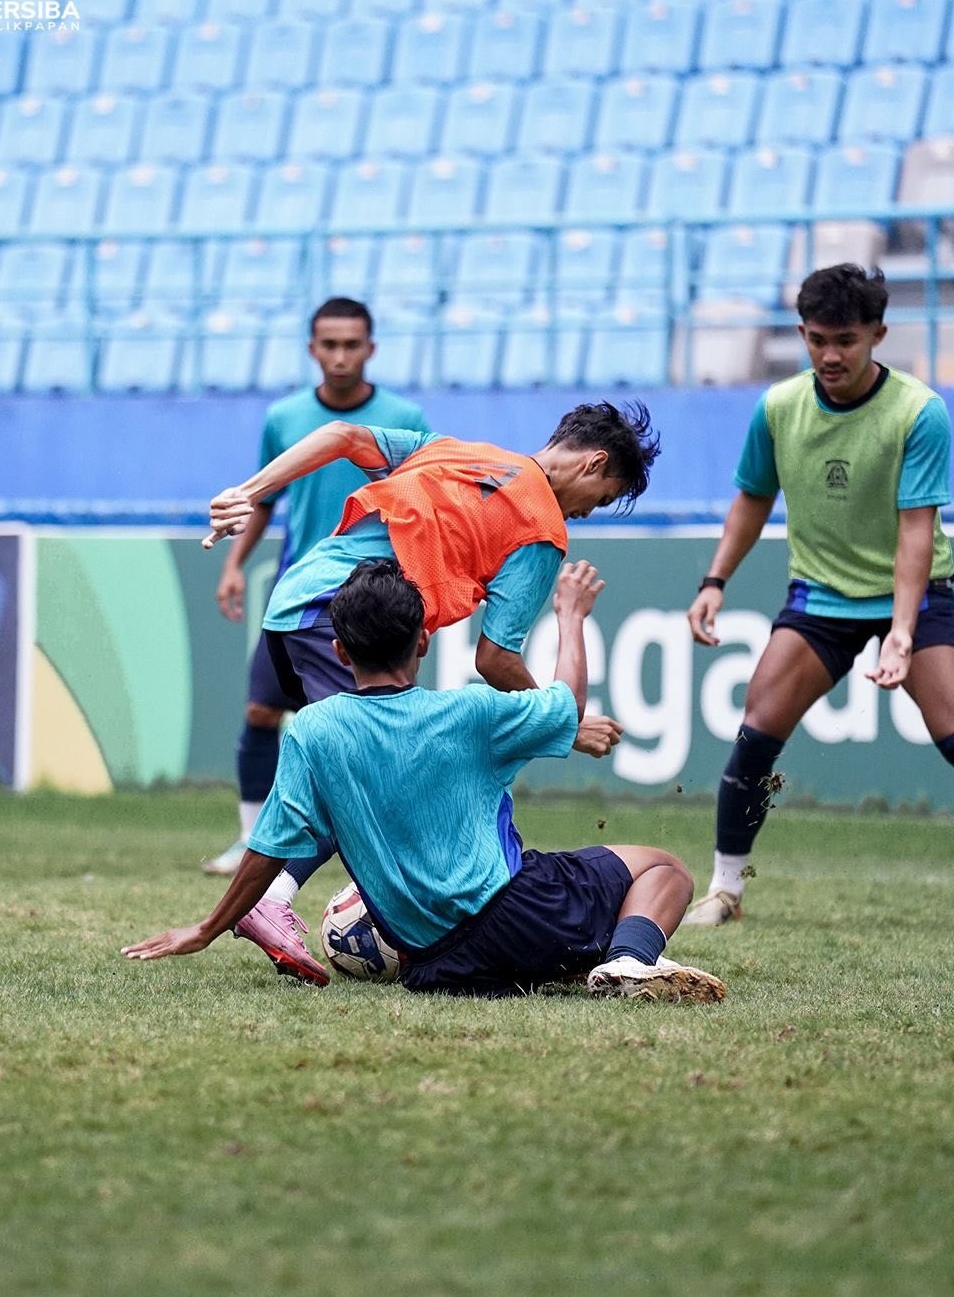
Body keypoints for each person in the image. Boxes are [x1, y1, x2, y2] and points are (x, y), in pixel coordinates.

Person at [124, 558, 726, 1004]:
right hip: (521, 913)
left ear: (338, 651)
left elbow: (267, 850)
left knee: (556, 925)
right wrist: (570, 615)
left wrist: (208, 927)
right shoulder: (470, 712)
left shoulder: (312, 730)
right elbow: (567, 700)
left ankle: (587, 963)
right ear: (423, 639)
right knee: (662, 869)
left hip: (435, 963)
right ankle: (626, 962)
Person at [204, 402, 661, 982]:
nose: (583, 514)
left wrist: (248, 489)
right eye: (594, 503)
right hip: (340, 622)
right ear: (595, 464)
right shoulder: (543, 529)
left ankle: (282, 893)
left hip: (297, 601)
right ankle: (274, 896)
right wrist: (559, 722)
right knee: (373, 771)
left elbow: (344, 436)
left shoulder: (456, 449)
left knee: (351, 767)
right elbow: (495, 659)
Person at [684, 263, 954, 926]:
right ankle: (725, 891)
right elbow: (752, 499)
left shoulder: (919, 411)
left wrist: (900, 630)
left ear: (878, 335)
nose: (830, 355)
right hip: (822, 598)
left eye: (847, 340)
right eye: (817, 339)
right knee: (756, 730)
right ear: (802, 334)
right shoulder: (778, 408)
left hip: (916, 596)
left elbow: (916, 529)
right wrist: (714, 581)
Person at [203, 297, 428, 890]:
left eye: (352, 344)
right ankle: (252, 838)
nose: (340, 355)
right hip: (296, 593)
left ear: (370, 349)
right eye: (329, 344)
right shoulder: (284, 418)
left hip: (369, 597)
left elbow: (425, 505)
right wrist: (234, 565)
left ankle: (376, 850)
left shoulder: (405, 417)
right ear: (312, 349)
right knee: (261, 710)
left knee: (360, 728)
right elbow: (264, 501)